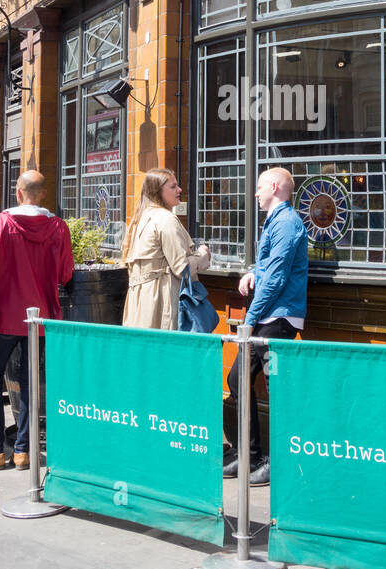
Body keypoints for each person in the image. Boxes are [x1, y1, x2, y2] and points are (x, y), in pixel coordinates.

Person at [0, 171, 74, 470]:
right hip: (40, 316)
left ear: (18, 193)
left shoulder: (0, 223)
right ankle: (24, 450)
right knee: (30, 381)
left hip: (4, 314)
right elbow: (65, 274)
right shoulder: (58, 227)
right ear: (43, 194)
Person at [224, 167, 308, 487]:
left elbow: (275, 279)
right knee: (239, 378)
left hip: (280, 318)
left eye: (259, 187)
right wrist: (252, 273)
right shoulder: (277, 221)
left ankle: (276, 461)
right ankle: (251, 454)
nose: (256, 193)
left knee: (275, 390)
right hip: (270, 316)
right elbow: (268, 268)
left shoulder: (286, 223)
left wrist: (247, 322)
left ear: (275, 187)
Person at [121, 168, 210, 329]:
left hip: (139, 307)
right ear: (158, 191)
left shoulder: (138, 220)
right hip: (161, 306)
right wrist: (203, 255)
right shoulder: (165, 219)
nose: (179, 190)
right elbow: (183, 269)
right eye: (173, 186)